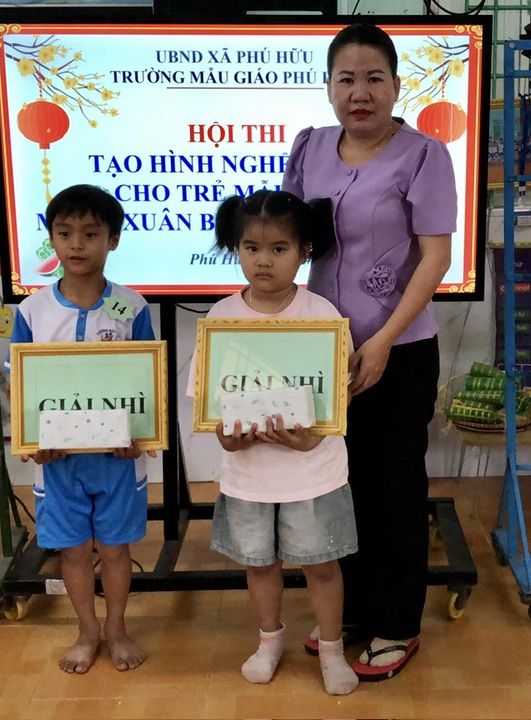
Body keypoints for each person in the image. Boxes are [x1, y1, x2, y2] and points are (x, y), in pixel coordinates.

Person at [283, 22, 455, 682]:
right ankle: (352, 609)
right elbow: (288, 237)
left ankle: (398, 623)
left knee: (394, 488)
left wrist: (381, 341)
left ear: (396, 86)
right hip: (324, 348)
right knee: (336, 485)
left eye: (374, 78)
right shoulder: (311, 148)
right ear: (328, 87)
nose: (360, 92)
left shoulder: (424, 155)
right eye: (346, 79)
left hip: (399, 351)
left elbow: (434, 258)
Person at [191, 189, 359, 696]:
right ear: (236, 249)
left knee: (322, 565)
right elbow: (211, 406)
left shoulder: (323, 316)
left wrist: (310, 441)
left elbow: (336, 402)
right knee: (260, 565)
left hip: (314, 472)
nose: (263, 260)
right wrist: (228, 440)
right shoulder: (220, 320)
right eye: (251, 248)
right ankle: (269, 641)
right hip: (249, 476)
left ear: (305, 251)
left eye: (279, 248)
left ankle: (331, 650)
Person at [6, 184, 153, 675]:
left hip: (117, 459)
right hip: (58, 461)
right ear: (51, 239)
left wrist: (141, 437)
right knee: (72, 550)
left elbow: (146, 380)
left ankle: (117, 629)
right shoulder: (32, 311)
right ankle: (87, 632)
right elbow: (20, 383)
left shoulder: (132, 307)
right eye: (65, 233)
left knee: (115, 549)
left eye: (91, 234)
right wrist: (31, 442)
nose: (77, 244)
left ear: (113, 240)